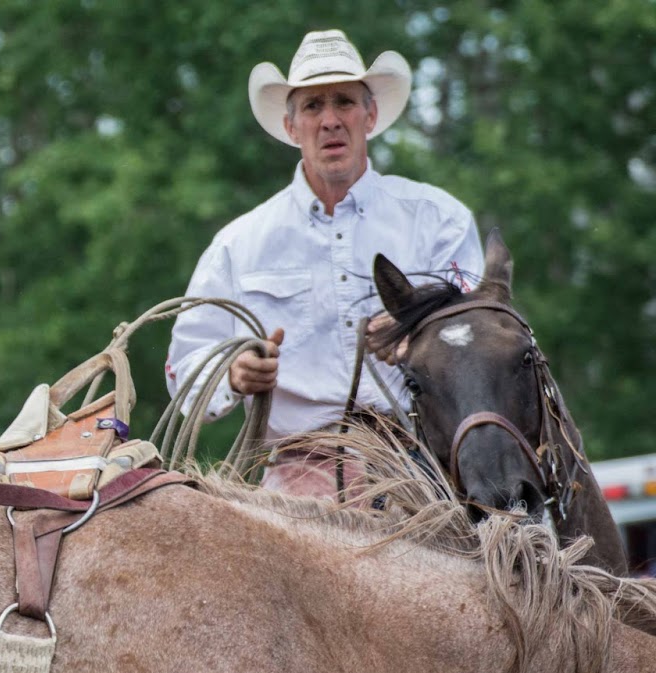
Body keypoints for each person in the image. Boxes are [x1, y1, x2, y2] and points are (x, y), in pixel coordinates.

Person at [165, 29, 484, 493]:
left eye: (344, 103)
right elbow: (184, 367)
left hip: (421, 467)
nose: (330, 120)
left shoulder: (439, 221)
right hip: (295, 481)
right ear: (292, 127)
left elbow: (475, 336)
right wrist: (233, 375)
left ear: (370, 115)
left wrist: (412, 340)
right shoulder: (239, 244)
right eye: (313, 106)